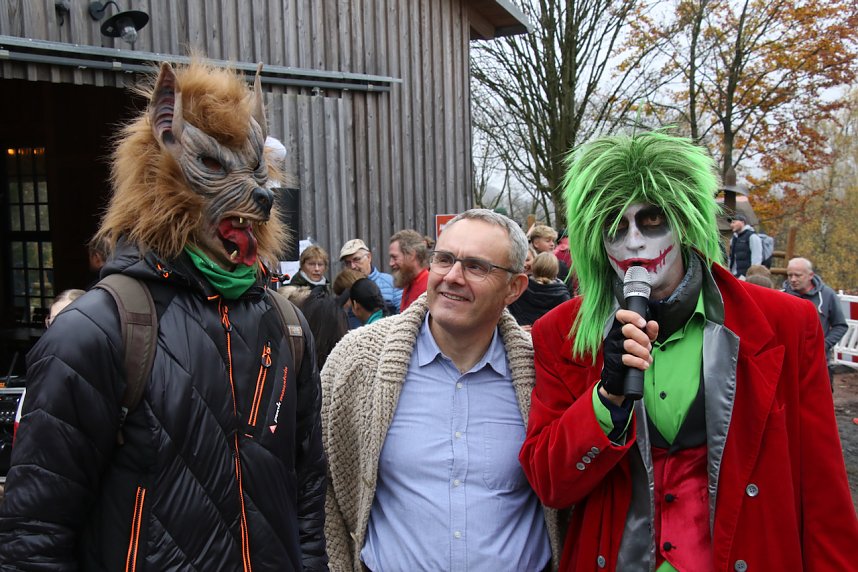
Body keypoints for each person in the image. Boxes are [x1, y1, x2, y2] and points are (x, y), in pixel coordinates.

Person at [0, 61, 328, 570]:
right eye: (214, 167)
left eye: (257, 171)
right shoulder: (97, 331)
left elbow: (307, 490)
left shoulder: (286, 325)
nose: (257, 193)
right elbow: (34, 533)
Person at [519, 131, 858, 571]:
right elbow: (550, 483)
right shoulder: (561, 334)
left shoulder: (785, 325)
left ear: (684, 220)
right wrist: (606, 402)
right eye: (615, 226)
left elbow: (822, 491)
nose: (635, 243)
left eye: (652, 220)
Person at [322, 209, 562, 571]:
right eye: (445, 260)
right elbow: (319, 487)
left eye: (476, 266)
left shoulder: (543, 372)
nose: (453, 277)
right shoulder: (358, 361)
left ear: (514, 288)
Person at [783, 257, 848, 389]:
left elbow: (840, 325)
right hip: (789, 364)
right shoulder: (782, 296)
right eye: (790, 275)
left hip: (818, 364)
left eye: (798, 275)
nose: (793, 279)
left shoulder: (827, 295)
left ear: (810, 275)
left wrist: (824, 344)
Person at [508, 252, 571, 329]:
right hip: (546, 336)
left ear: (534, 267)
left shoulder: (520, 287)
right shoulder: (562, 295)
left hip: (520, 333)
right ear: (556, 271)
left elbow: (508, 312)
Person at [339, 238, 401, 312]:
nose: (352, 266)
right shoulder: (344, 288)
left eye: (356, 259)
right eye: (347, 263)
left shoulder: (391, 282)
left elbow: (404, 313)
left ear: (369, 257)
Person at [389, 228, 429, 311]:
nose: (391, 263)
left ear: (411, 254)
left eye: (394, 257)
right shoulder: (409, 283)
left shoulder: (428, 287)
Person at [727, 212, 762, 278]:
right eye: (731, 223)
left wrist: (752, 276)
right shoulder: (733, 239)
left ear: (742, 222)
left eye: (734, 222)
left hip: (746, 277)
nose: (731, 225)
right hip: (735, 276)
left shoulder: (752, 237)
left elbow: (757, 258)